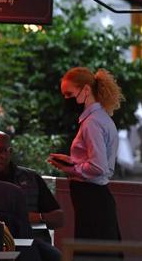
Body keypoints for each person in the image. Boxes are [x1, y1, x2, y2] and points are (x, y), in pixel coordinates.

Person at [48, 67, 122, 243]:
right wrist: (73, 162)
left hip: (91, 199)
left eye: (69, 94)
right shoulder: (100, 118)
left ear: (86, 90)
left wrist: (72, 168)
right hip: (96, 197)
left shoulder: (92, 123)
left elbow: (98, 167)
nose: (66, 99)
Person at [0, 131, 65, 244]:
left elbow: (59, 219)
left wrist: (37, 217)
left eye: (1, 150)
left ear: (10, 152)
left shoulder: (31, 178)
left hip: (32, 244)